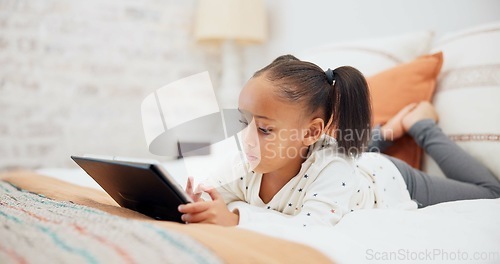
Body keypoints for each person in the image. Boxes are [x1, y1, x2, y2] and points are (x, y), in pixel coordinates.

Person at [177, 55, 500, 227]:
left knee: (492, 195)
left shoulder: (334, 170)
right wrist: (205, 199)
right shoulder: (251, 158)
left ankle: (420, 124)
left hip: (390, 178)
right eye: (241, 122)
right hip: (341, 157)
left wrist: (235, 220)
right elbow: (223, 191)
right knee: (344, 150)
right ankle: (387, 131)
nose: (244, 139)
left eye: (263, 129)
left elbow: (312, 225)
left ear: (312, 131)